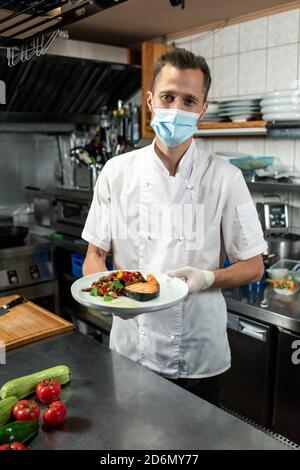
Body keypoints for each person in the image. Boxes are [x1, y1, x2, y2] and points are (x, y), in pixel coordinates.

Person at [81, 47, 267, 407]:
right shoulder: (116, 173)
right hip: (131, 347)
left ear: (202, 109)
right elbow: (94, 256)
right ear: (150, 100)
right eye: (168, 97)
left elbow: (254, 265)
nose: (177, 109)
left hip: (199, 354)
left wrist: (208, 278)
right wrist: (110, 298)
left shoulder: (227, 179)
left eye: (188, 100)